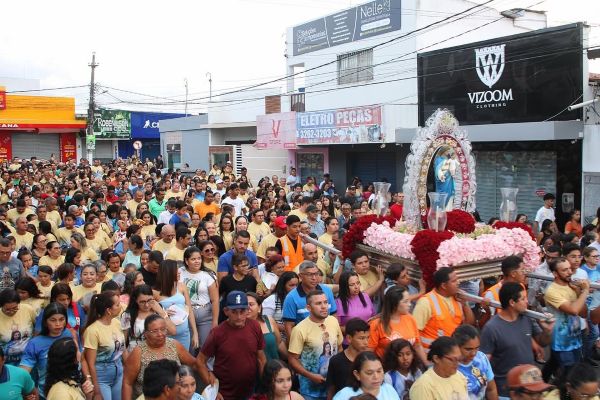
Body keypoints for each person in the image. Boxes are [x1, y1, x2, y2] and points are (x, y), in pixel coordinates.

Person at [480, 282, 554, 398]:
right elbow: (484, 365)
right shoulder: (491, 328)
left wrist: (547, 331)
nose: (527, 302)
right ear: (512, 302)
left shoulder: (527, 318)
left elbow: (542, 342)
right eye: (523, 298)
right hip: (505, 393)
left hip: (530, 389)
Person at [197, 291, 267, 400]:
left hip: (251, 392)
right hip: (224, 394)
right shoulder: (217, 333)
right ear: (226, 311)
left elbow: (261, 358)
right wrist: (214, 391)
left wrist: (266, 385)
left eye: (242, 311)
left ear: (248, 310)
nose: (239, 316)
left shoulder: (255, 326)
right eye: (234, 312)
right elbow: (200, 361)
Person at [121, 314, 198, 400]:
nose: (160, 334)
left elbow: (195, 364)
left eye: (163, 329)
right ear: (145, 334)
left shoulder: (174, 345)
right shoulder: (138, 352)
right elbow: (127, 382)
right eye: (154, 331)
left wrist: (209, 377)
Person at [288, 290, 343, 400]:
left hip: (334, 385)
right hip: (310, 390)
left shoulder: (333, 321)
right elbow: (292, 359)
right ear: (308, 308)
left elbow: (340, 348)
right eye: (318, 303)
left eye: (325, 302)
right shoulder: (299, 329)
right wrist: (310, 375)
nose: (324, 306)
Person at [19, 303, 77, 398]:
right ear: (45, 322)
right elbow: (23, 372)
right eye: (53, 320)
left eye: (61, 319)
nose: (58, 324)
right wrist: (28, 390)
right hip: (46, 393)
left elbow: (78, 359)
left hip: (71, 390)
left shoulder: (69, 334)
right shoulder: (35, 343)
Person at [543, 256, 588, 376]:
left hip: (575, 338)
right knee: (569, 375)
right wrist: (585, 291)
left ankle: (543, 383)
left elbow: (583, 313)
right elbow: (573, 310)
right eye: (564, 270)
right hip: (561, 341)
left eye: (569, 269)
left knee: (556, 365)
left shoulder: (572, 287)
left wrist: (579, 293)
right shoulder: (552, 291)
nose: (569, 272)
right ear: (555, 273)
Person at [412, 267, 475, 350]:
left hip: (452, 353)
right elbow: (414, 334)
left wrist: (465, 304)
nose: (458, 283)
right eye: (454, 281)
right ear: (444, 286)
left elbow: (468, 324)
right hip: (432, 355)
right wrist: (425, 361)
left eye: (457, 280)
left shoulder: (458, 299)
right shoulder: (425, 302)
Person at [82, 291, 125, 400]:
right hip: (101, 377)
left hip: (118, 371)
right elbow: (90, 363)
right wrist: (96, 391)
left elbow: (122, 348)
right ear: (108, 310)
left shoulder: (116, 323)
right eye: (117, 304)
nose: (121, 306)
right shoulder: (92, 331)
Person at [368, 286, 427, 365]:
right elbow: (369, 352)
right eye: (405, 301)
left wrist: (427, 365)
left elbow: (417, 345)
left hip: (409, 368)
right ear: (395, 304)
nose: (409, 304)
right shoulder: (376, 324)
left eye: (409, 301)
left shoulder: (410, 319)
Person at [282, 261, 337, 340]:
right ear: (300, 276)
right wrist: (295, 346)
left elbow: (334, 315)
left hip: (327, 339)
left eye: (316, 274)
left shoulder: (327, 291)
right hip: (305, 341)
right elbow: (289, 326)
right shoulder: (291, 297)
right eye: (310, 275)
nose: (314, 278)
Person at [179, 245, 219, 349]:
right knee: (190, 346)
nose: (197, 261)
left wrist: (215, 322)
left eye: (199, 258)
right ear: (186, 261)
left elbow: (215, 300)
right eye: (193, 259)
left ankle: (206, 366)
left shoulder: (208, 275)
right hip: (185, 313)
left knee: (206, 346)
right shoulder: (180, 272)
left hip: (204, 313)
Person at [154, 260, 198, 351]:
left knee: (184, 363)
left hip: (184, 335)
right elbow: (151, 315)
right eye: (176, 269)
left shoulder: (182, 286)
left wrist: (195, 333)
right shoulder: (154, 292)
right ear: (168, 272)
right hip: (166, 336)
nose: (179, 272)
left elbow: (189, 310)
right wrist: (162, 313)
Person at [120, 284, 176, 351]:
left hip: (157, 352)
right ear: (136, 300)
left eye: (149, 300)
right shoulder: (128, 315)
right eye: (142, 302)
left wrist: (161, 312)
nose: (146, 305)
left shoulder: (158, 309)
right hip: (136, 353)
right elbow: (123, 340)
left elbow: (173, 331)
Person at [326, 318, 371, 400]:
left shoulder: (370, 359)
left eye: (368, 338)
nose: (366, 342)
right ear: (349, 338)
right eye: (361, 338)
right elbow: (331, 388)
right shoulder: (336, 361)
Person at [452, 324, 498, 400]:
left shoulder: (481, 358)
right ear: (456, 346)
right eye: (468, 349)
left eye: (477, 348)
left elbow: (491, 389)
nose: (474, 353)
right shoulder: (449, 365)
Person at [332, 351, 399, 400]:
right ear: (357, 374)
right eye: (369, 373)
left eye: (379, 371)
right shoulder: (344, 395)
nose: (376, 376)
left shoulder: (389, 390)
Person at [0, 288, 36, 366]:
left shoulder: (27, 309)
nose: (12, 311)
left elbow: (37, 328)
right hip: (7, 362)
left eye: (15, 308)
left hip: (29, 358)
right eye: (7, 309)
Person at [247, 292, 284, 361]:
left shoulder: (269, 321)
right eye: (244, 305)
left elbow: (279, 343)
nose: (247, 307)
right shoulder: (240, 327)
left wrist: (291, 360)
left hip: (274, 368)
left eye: (251, 304)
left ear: (259, 307)